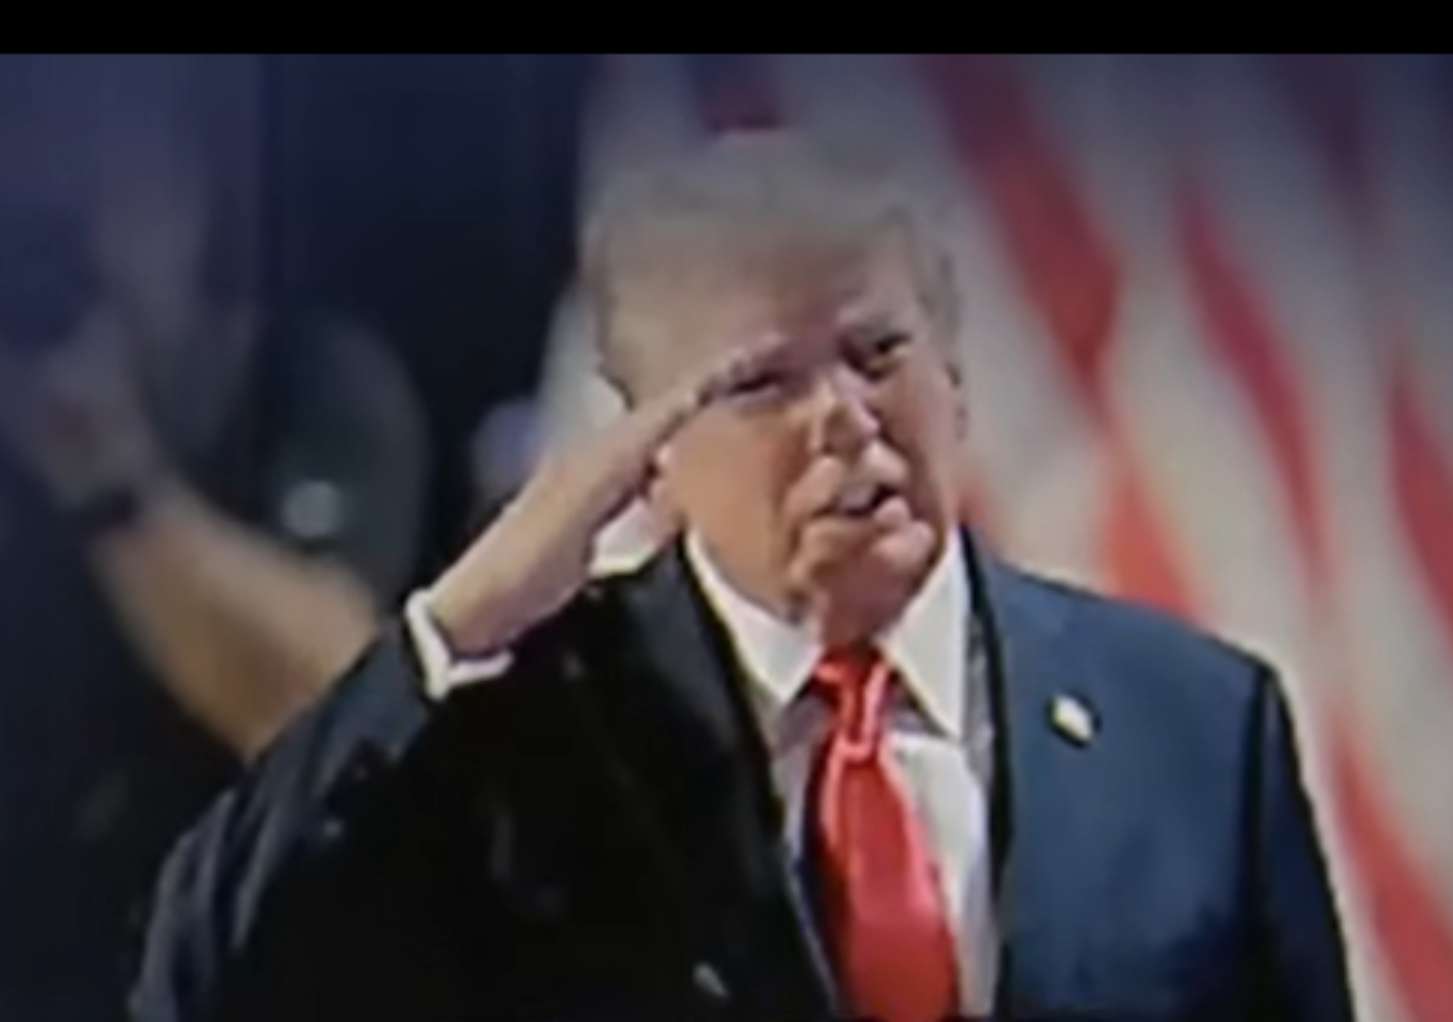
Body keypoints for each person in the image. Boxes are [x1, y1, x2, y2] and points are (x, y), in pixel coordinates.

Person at [131, 133, 1352, 1021]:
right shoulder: (534, 740)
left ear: (955, 374)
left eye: (879, 351)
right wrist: (457, 619)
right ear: (647, 455)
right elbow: (207, 973)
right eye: (764, 383)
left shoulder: (1197, 723)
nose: (845, 418)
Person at [0, 56, 429, 1019]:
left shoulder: (306, 382)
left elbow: (324, 710)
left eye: (107, 191)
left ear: (197, 205)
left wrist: (114, 486)